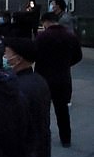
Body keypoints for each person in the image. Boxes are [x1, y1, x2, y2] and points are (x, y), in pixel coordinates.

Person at [35, 12, 82, 147]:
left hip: (44, 77)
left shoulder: (42, 37)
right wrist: (66, 64)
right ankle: (65, 139)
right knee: (62, 111)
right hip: (63, 78)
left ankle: (44, 138)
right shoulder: (70, 36)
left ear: (46, 22)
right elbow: (78, 56)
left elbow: (34, 53)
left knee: (44, 110)